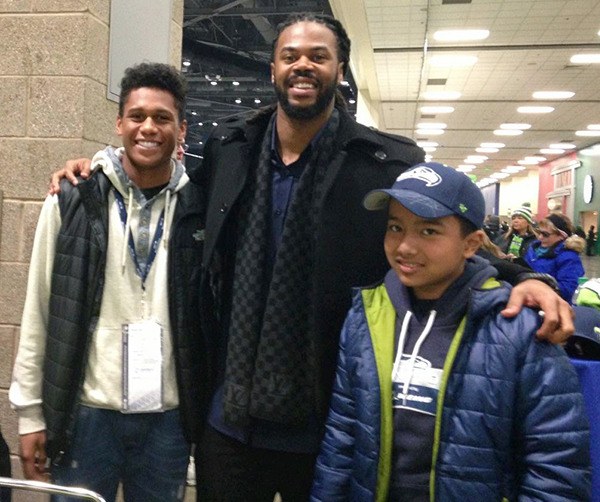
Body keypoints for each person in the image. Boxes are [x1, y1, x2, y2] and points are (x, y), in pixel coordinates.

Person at [50, 14, 574, 500]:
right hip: (229, 422)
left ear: (338, 70)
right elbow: (168, 191)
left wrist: (524, 278)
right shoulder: (232, 151)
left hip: (328, 424)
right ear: (274, 67)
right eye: (290, 55)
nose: (303, 65)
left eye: (318, 56)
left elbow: (442, 235)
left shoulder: (385, 163)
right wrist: (98, 168)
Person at [311, 162, 590, 501]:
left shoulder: (519, 328)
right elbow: (343, 436)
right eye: (395, 227)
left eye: (428, 231)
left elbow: (556, 465)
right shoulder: (366, 316)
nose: (404, 247)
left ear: (471, 244)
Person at [9, 63, 207, 501]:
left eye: (162, 117)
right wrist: (30, 416)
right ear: (119, 123)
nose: (148, 128)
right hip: (87, 417)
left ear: (181, 129)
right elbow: (39, 309)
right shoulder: (72, 199)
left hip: (167, 421)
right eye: (137, 116)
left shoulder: (199, 209)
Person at [524, 213, 586, 302]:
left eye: (545, 234)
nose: (540, 237)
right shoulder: (533, 249)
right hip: (527, 298)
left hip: (552, 305)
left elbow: (567, 289)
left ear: (561, 236)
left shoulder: (569, 257)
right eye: (539, 232)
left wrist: (536, 291)